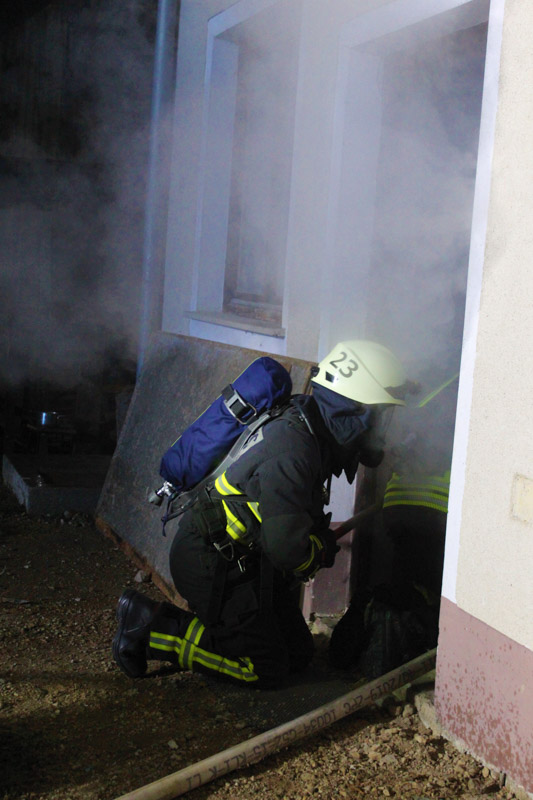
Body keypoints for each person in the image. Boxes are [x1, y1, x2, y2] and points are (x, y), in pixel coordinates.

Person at [112, 340, 407, 689]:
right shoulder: (294, 448)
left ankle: (220, 632)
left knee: (298, 655)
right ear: (356, 412)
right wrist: (320, 549)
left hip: (244, 565)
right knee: (263, 667)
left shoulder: (310, 429)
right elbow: (287, 551)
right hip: (211, 564)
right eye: (382, 415)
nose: (383, 428)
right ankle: (150, 626)